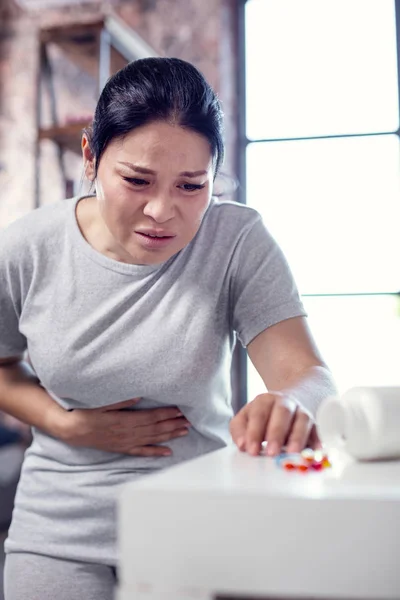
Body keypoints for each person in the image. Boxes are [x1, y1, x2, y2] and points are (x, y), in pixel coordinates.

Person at [0, 57, 336, 600]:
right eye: (136, 180)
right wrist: (64, 424)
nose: (162, 210)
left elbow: (307, 374)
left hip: (197, 518)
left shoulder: (236, 241)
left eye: (190, 185)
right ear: (90, 156)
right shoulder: (27, 248)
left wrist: (295, 403)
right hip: (57, 530)